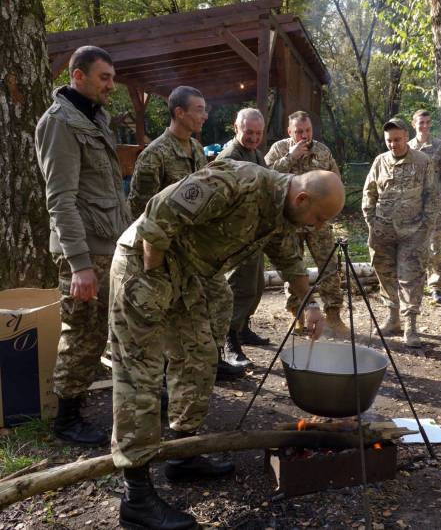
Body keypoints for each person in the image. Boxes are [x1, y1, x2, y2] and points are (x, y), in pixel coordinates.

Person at [110, 164, 344, 529]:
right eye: (317, 218)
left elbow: (287, 257)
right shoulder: (235, 182)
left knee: (200, 356)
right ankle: (136, 496)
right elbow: (159, 211)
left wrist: (309, 305)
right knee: (140, 372)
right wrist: (154, 276)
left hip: (188, 274)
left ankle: (183, 454)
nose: (315, 227)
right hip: (144, 265)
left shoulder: (283, 211)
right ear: (302, 198)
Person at [35, 45, 131, 446]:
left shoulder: (94, 117)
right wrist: (79, 264)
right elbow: (60, 198)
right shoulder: (59, 123)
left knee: (107, 330)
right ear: (78, 76)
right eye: (104, 77)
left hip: (109, 244)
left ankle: (108, 404)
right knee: (83, 333)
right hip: (84, 251)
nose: (111, 84)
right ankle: (67, 419)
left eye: (111, 76)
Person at [127, 86, 244, 380]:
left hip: (193, 248)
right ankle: (168, 372)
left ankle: (212, 359)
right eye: (199, 110)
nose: (205, 116)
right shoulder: (154, 155)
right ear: (179, 113)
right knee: (168, 312)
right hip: (162, 251)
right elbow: (140, 210)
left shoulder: (194, 149)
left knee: (221, 296)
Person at [265, 111, 349, 337]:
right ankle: (299, 315)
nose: (304, 136)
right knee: (293, 268)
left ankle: (333, 315)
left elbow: (335, 180)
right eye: (299, 131)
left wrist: (330, 211)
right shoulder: (279, 150)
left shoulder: (322, 150)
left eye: (308, 131)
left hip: (317, 222)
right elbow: (265, 177)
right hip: (289, 221)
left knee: (329, 267)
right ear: (289, 131)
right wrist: (289, 158)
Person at [362, 118, 438, 348]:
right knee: (385, 275)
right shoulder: (379, 161)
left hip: (412, 232)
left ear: (406, 136)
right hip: (383, 233)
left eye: (397, 139)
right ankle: (393, 319)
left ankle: (410, 325)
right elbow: (369, 193)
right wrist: (371, 221)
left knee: (410, 278)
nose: (393, 144)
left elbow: (432, 197)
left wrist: (426, 227)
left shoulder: (423, 162)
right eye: (389, 141)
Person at [217, 108, 270, 370]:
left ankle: (243, 328)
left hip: (253, 232)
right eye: (248, 132)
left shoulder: (255, 153)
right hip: (235, 236)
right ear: (236, 128)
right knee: (239, 289)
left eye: (258, 133)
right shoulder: (230, 156)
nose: (253, 137)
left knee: (256, 286)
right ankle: (230, 341)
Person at [408, 110, 441, 304]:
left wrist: (433, 195)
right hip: (411, 206)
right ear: (413, 124)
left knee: (435, 248)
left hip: (434, 206)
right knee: (413, 246)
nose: (424, 126)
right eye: (421, 122)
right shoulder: (406, 147)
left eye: (427, 122)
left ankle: (435, 286)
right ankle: (415, 284)